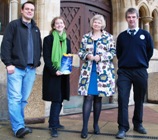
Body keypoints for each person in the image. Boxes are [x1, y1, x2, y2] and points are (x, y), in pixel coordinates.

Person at [0, 1, 42, 138]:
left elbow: (38, 48)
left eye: (32, 9)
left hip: (30, 69)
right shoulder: (13, 25)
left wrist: (36, 63)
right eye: (27, 9)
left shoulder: (36, 29)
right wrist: (8, 63)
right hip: (16, 69)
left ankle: (20, 125)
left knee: (23, 99)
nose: (30, 11)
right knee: (15, 98)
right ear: (22, 11)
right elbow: (5, 45)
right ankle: (18, 128)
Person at [116, 8, 154, 139]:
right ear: (126, 19)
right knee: (122, 99)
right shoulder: (121, 36)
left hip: (140, 71)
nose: (131, 19)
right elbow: (118, 53)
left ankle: (138, 124)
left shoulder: (145, 35)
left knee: (139, 100)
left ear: (137, 18)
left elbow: (149, 52)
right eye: (129, 17)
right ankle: (122, 127)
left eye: (133, 17)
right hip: (124, 72)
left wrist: (142, 62)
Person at [78, 14, 116, 139]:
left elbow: (113, 52)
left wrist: (101, 57)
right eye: (95, 22)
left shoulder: (109, 37)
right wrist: (86, 56)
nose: (97, 24)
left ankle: (95, 124)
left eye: (99, 22)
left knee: (98, 99)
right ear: (92, 23)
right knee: (88, 97)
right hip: (88, 71)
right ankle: (84, 127)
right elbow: (80, 51)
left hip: (103, 72)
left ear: (102, 24)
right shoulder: (85, 37)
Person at [42, 16, 71, 137]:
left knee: (61, 98)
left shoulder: (67, 40)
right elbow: (47, 58)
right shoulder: (48, 39)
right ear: (54, 26)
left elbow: (68, 56)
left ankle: (55, 122)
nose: (59, 25)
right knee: (56, 99)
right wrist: (55, 71)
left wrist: (65, 69)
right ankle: (53, 126)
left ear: (64, 25)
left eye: (61, 23)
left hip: (63, 74)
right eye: (57, 23)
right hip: (52, 74)